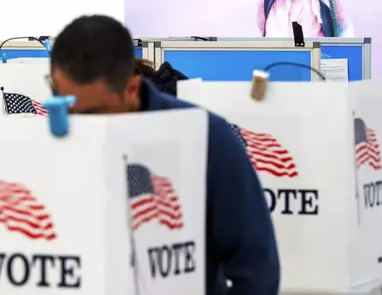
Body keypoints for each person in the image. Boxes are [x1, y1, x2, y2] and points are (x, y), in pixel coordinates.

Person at [49, 16, 280, 295]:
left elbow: (256, 271)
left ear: (131, 89)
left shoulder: (205, 137)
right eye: (65, 105)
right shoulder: (49, 139)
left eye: (92, 113)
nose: (79, 124)